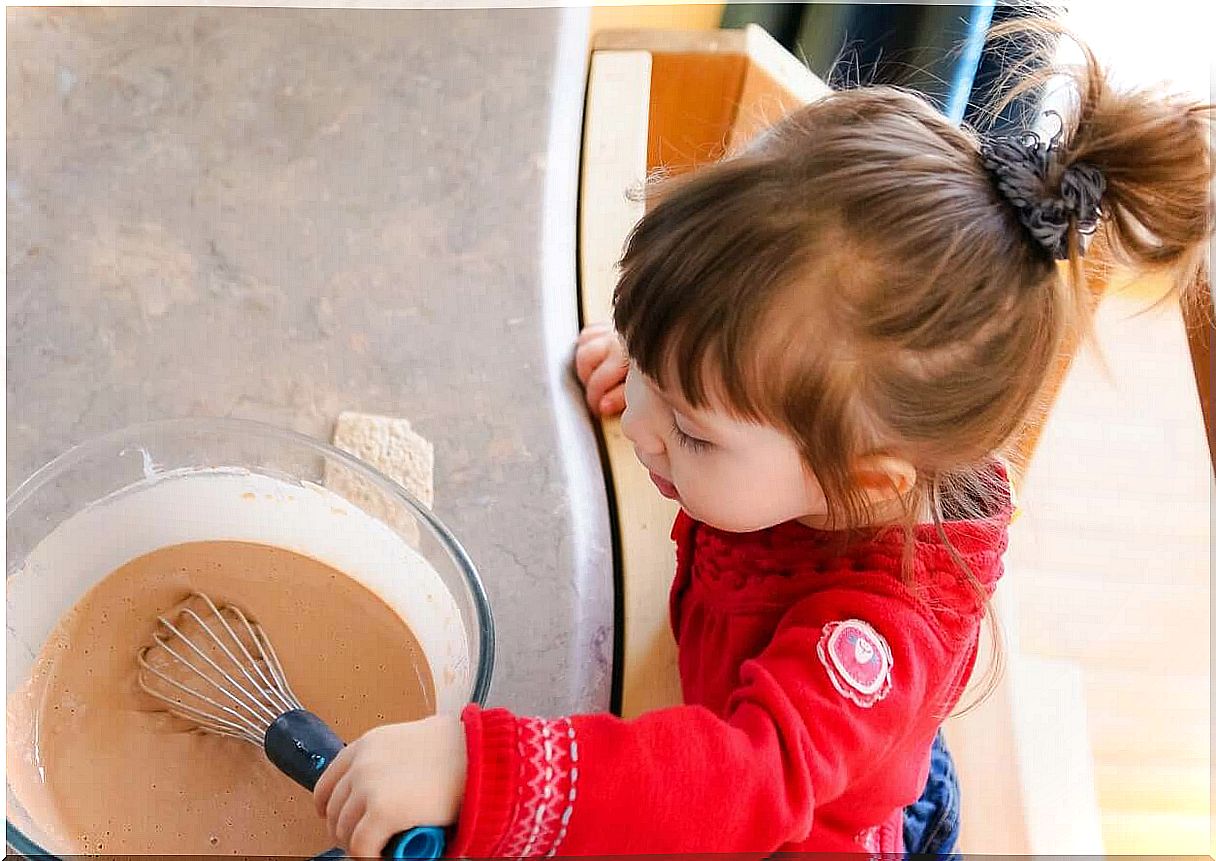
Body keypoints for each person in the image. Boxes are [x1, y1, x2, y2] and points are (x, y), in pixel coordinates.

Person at [313, 21, 1213, 857]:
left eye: (692, 430)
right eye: (655, 384)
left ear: (862, 482)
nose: (641, 425)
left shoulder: (873, 636)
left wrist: (483, 771)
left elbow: (738, 781)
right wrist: (674, 366)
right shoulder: (819, 430)